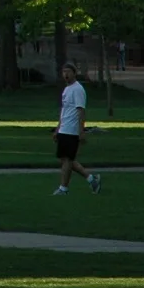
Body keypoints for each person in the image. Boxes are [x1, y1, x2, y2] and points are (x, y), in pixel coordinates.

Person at [53, 62, 101, 195]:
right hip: (64, 128)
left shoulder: (78, 89)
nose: (66, 75)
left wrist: (81, 130)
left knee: (68, 159)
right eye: (64, 72)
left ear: (74, 73)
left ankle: (64, 188)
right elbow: (64, 110)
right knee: (65, 159)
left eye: (68, 72)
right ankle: (92, 179)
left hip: (72, 129)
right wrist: (57, 128)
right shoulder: (67, 89)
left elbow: (81, 111)